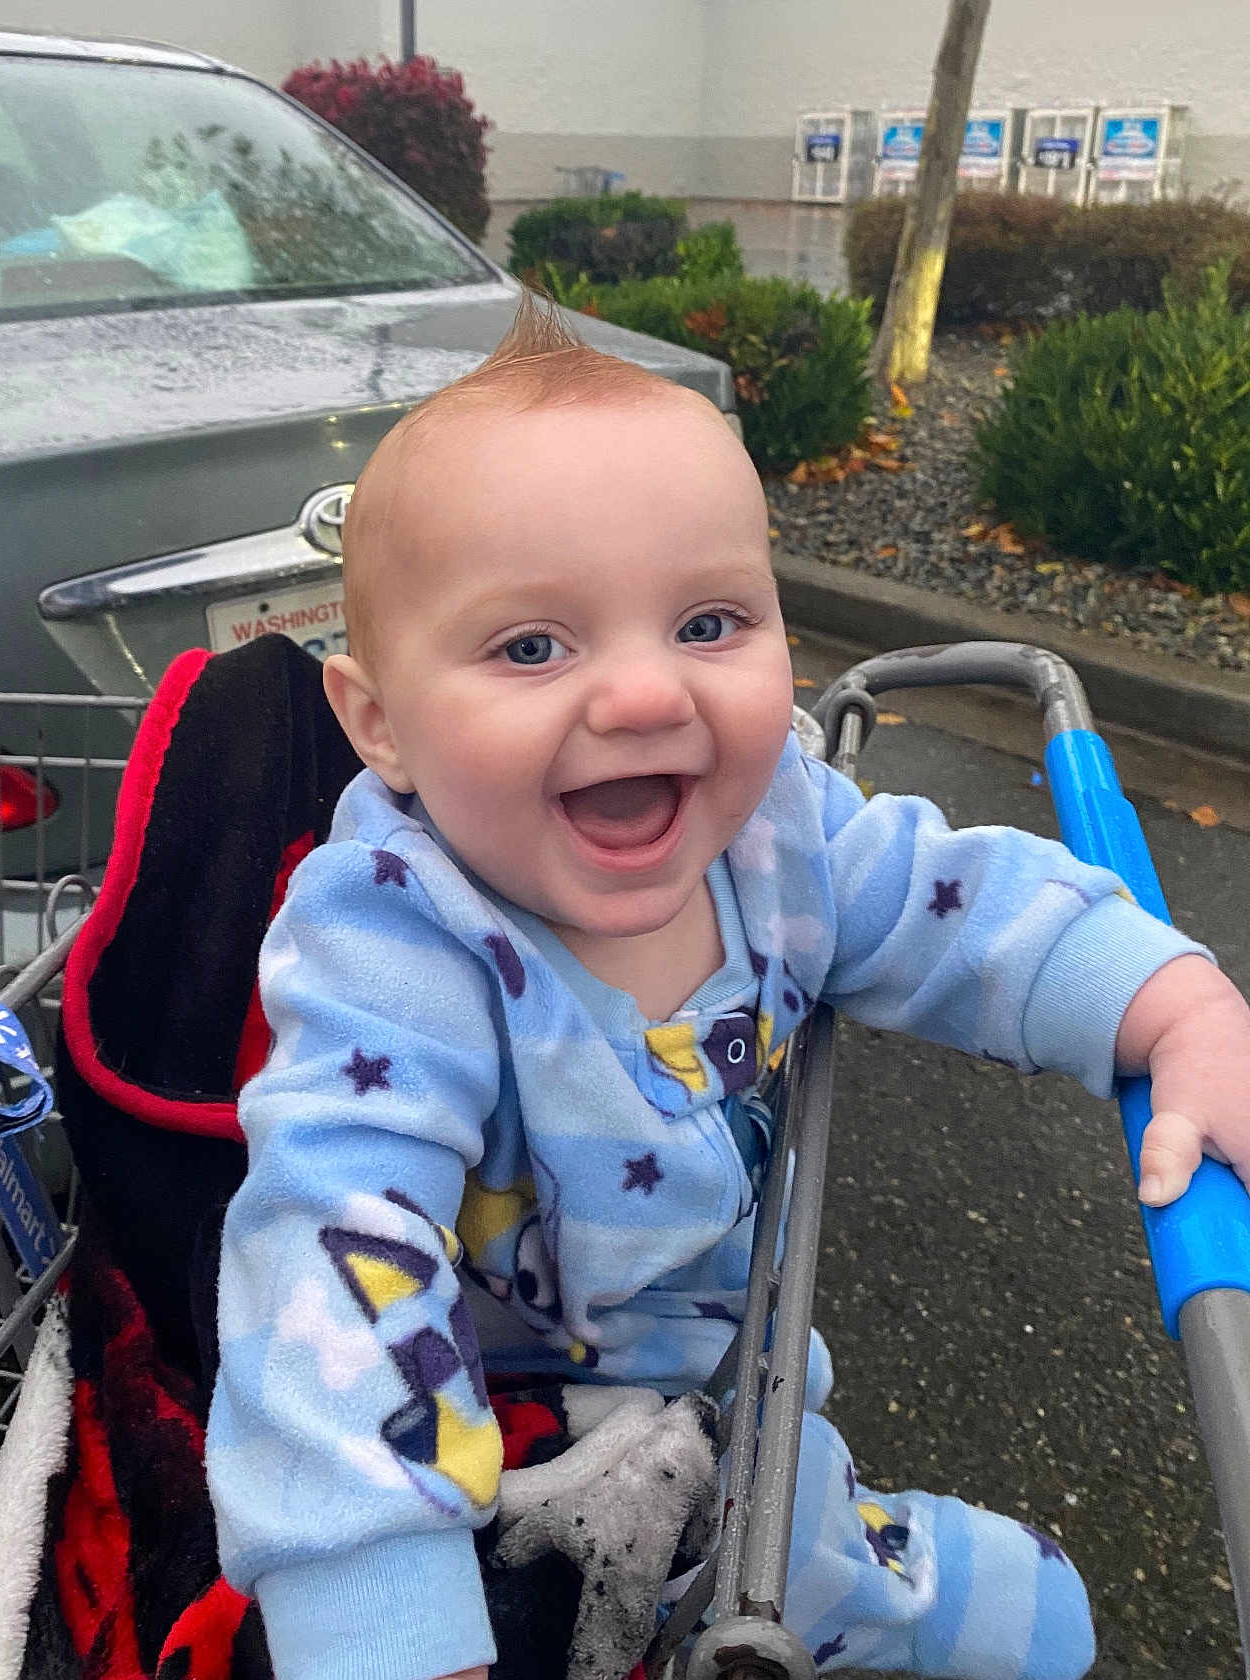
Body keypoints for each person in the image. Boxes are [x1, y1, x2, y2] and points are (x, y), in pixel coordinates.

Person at [206, 298, 1250, 1680]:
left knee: (776, 1505)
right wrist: (378, 1612)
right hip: (498, 1442)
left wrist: (1174, 1003)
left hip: (732, 1382)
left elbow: (958, 907)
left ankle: (857, 1569)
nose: (643, 695)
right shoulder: (397, 938)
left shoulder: (776, 836)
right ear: (379, 723)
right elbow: (331, 1244)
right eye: (532, 647)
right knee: (745, 1562)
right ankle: (868, 1591)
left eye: (708, 622)